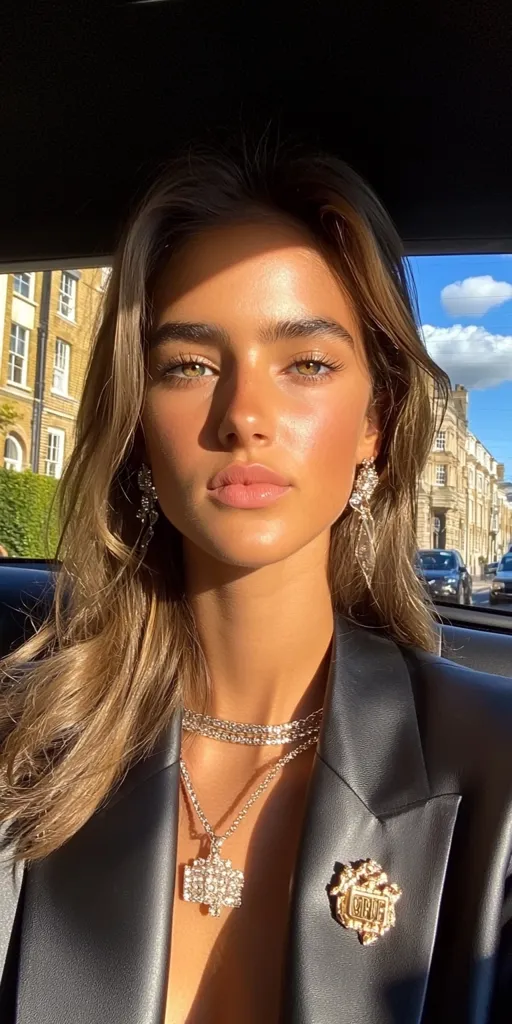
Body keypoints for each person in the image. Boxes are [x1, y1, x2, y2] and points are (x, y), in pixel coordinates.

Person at [0, 146, 511, 1024]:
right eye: (189, 365)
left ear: (375, 425)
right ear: (135, 423)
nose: (242, 414)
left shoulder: (495, 771)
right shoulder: (27, 743)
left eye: (306, 363)